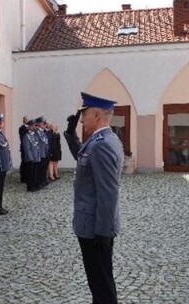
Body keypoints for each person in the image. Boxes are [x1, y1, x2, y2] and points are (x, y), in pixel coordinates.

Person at [64, 92, 124, 304]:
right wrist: (71, 134)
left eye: (85, 114)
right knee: (98, 280)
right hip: (91, 225)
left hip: (95, 228)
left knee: (101, 283)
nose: (82, 119)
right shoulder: (101, 140)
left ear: (97, 115)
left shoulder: (102, 144)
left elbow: (108, 192)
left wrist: (102, 232)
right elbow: (83, 157)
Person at [0, 113, 11, 215]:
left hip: (3, 164)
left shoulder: (0, 133)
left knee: (0, 188)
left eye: (2, 121)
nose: (1, 123)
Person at [19, 116, 29, 183]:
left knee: (28, 162)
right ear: (23, 120)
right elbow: (23, 137)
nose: (27, 121)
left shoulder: (29, 127)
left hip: (28, 147)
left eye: (27, 119)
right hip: (24, 147)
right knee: (24, 162)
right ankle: (23, 177)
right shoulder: (22, 128)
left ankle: (27, 176)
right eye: (25, 119)